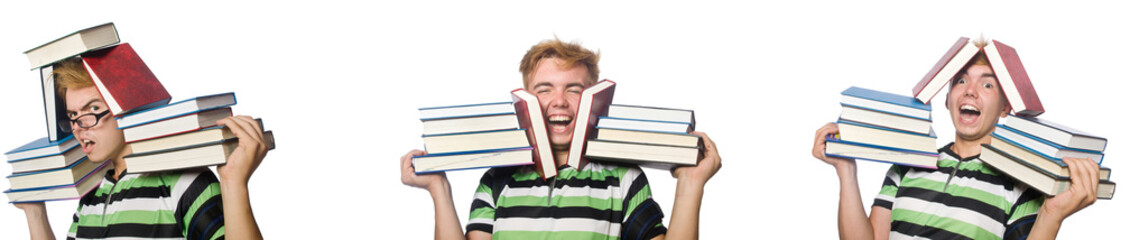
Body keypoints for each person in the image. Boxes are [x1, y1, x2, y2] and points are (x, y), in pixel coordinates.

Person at [400, 38, 723, 239]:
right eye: (544, 89)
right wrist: (439, 189)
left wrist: (691, 184)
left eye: (574, 89)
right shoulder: (497, 180)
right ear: (525, 104)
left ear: (595, 101)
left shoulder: (623, 178)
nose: (559, 101)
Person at [811, 42, 1100, 240]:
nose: (971, 91)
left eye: (987, 84)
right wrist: (846, 171)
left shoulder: (1021, 184)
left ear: (1004, 108)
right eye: (960, 81)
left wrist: (1052, 214)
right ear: (947, 99)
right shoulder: (906, 166)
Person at [13, 58, 268, 240]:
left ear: (126, 108)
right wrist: (35, 213)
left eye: (92, 110)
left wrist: (234, 183)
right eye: (72, 115)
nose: (79, 127)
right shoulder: (91, 197)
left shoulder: (184, 182)